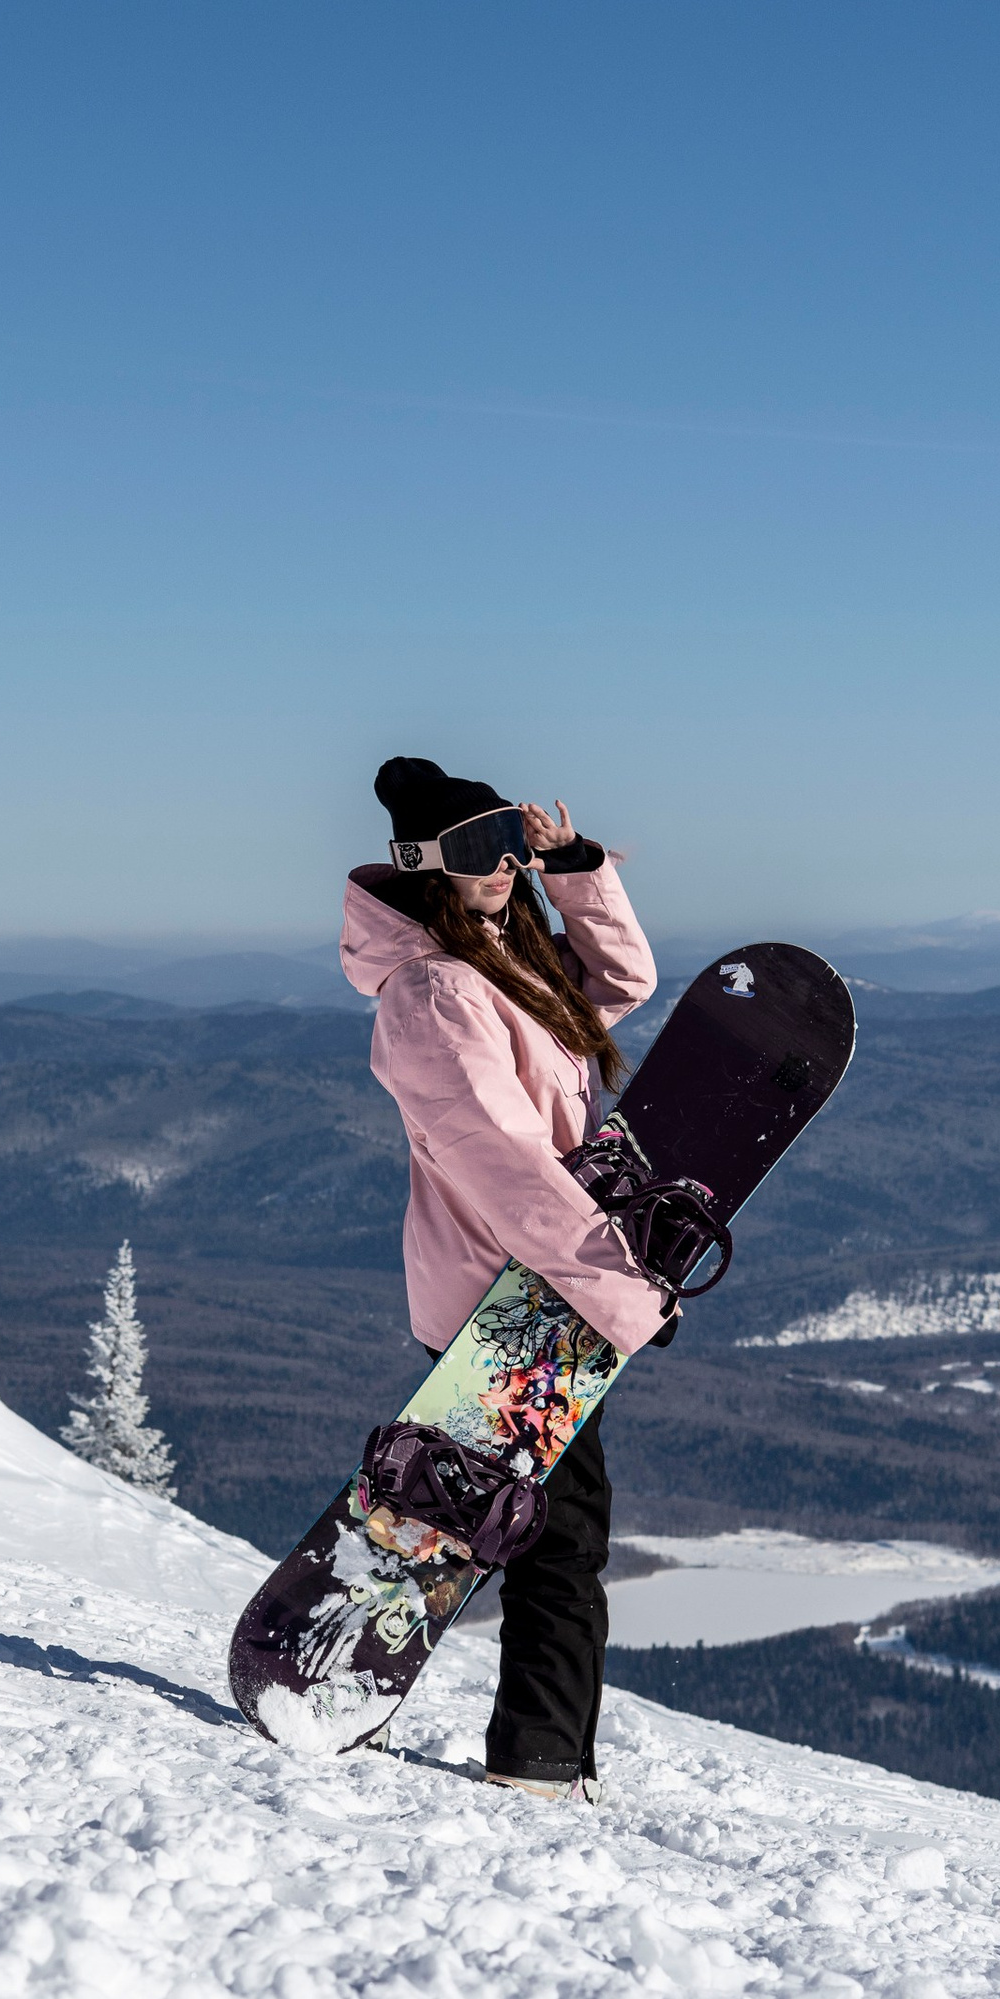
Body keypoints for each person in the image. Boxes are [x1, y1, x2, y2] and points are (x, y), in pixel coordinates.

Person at [341, 756, 673, 1799]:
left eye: (510, 846)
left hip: (539, 1297)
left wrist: (573, 869)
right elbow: (508, 1166)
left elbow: (617, 987)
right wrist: (618, 1293)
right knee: (561, 1545)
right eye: (483, 852)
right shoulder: (435, 996)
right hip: (515, 1305)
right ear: (427, 865)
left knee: (547, 1534)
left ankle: (544, 1756)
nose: (504, 867)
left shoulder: (496, 957)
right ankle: (536, 1766)